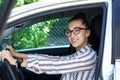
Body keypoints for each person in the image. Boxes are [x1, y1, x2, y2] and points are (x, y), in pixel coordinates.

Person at [1, 12, 97, 80]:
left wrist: (16, 62)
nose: (72, 35)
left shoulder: (89, 56)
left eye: (77, 30)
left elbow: (54, 65)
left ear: (87, 33)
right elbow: (53, 59)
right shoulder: (78, 54)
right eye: (70, 31)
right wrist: (16, 54)